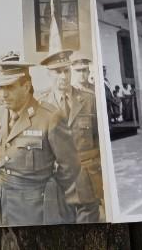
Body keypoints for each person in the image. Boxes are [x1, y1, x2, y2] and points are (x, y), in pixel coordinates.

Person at [0, 56, 99, 226]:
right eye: (0, 87)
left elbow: (70, 167)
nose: (2, 94)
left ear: (26, 87)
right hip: (3, 203)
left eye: (9, 87)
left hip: (35, 206)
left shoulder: (50, 117)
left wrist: (52, 192)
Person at [36, 50, 102, 222]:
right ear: (49, 74)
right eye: (58, 72)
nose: (63, 76)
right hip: (57, 178)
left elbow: (99, 138)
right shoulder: (40, 103)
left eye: (66, 70)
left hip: (86, 176)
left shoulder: (89, 99)